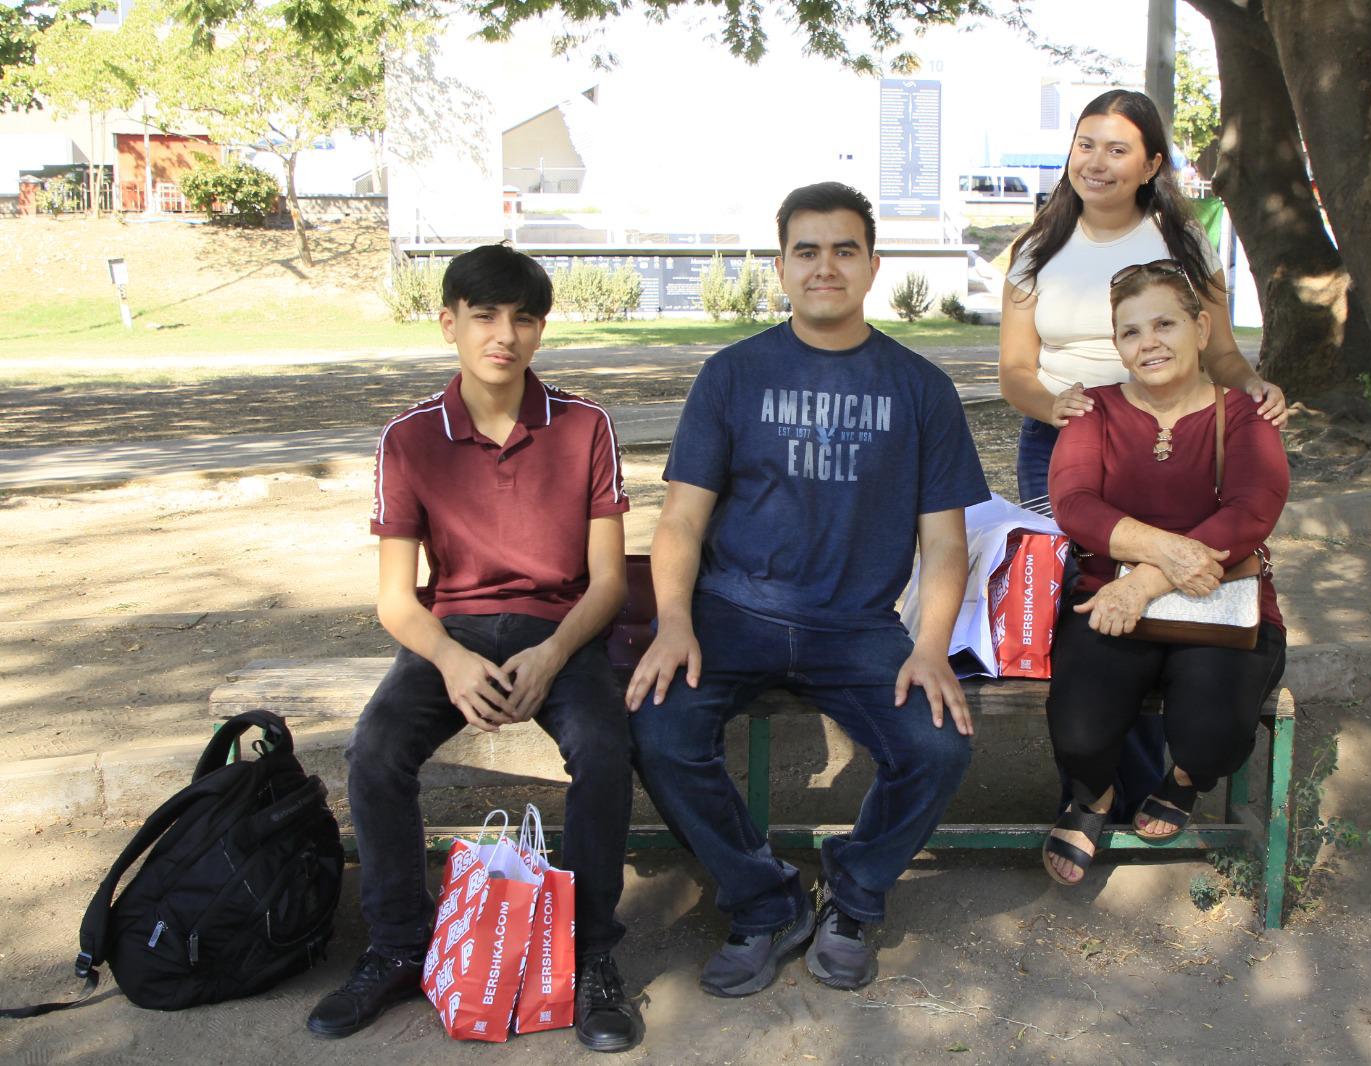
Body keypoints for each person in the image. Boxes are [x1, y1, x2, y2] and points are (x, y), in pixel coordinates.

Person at [627, 182, 990, 997]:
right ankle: (765, 902)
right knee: (658, 728)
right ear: (781, 266)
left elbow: (943, 542)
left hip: (858, 627)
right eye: (807, 251)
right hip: (732, 612)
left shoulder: (920, 388)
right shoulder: (732, 374)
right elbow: (681, 521)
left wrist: (929, 647)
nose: (825, 266)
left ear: (872, 265)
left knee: (937, 744)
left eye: (844, 250)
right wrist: (674, 621)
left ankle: (855, 896)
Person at [306, 245, 642, 1053]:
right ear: (449, 321)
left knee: (603, 747)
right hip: (450, 632)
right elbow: (396, 600)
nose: (505, 335)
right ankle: (396, 945)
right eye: (485, 316)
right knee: (376, 750)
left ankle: (591, 952)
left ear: (541, 329)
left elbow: (606, 584)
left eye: (524, 318)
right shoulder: (410, 438)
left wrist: (555, 654)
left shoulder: (586, 426)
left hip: (560, 630)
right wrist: (453, 662)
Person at [998, 87, 1288, 821]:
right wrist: (1056, 407)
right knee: (1090, 597)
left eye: (1117, 147)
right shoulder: (1035, 247)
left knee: (1172, 592)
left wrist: (1255, 390)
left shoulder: (1182, 247)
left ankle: (1172, 767)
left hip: (1179, 427)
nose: (1096, 161)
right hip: (1068, 435)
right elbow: (1015, 371)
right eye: (1085, 143)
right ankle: (1104, 792)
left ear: (1151, 163)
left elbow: (1219, 353)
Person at [1041, 259, 1288, 886]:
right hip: (1108, 600)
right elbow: (1075, 506)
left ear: (1201, 328)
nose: (1148, 342)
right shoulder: (1090, 412)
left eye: (1164, 323)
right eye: (1130, 332)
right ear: (1118, 346)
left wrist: (1146, 579)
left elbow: (1252, 512)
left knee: (1211, 736)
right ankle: (1092, 796)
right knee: (1079, 729)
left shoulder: (1247, 416)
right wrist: (1167, 554)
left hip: (1221, 604)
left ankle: (1183, 781)